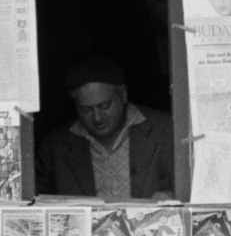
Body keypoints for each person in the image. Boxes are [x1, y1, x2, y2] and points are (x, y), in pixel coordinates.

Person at [35, 55, 176, 201]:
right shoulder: (55, 148)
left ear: (122, 94)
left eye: (104, 106)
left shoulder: (166, 130)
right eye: (86, 110)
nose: (97, 117)